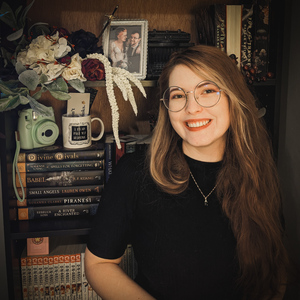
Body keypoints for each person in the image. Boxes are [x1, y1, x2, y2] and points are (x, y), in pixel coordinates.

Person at [85, 45, 290, 300]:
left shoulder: (259, 174)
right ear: (167, 106)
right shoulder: (133, 174)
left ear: (233, 98)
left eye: (207, 91)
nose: (192, 108)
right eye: (179, 95)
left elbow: (276, 272)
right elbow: (98, 265)